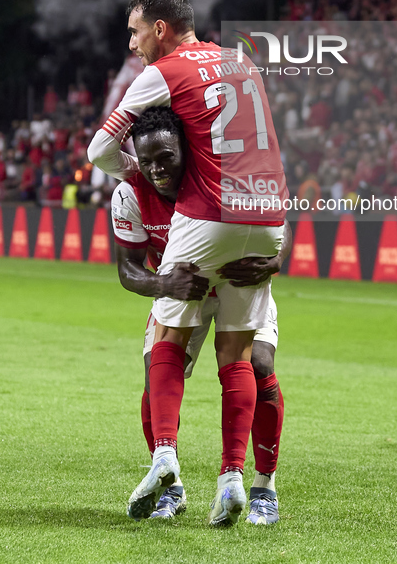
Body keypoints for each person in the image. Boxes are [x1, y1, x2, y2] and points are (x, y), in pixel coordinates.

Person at [88, 0, 288, 527]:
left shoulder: (161, 73)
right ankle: (232, 479)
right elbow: (261, 147)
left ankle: (167, 462)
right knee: (241, 359)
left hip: (208, 215)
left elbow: (99, 150)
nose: (132, 45)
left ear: (159, 29)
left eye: (134, 32)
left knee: (166, 348)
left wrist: (135, 174)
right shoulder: (243, 62)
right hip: (267, 215)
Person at [112, 107, 289, 524]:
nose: (156, 169)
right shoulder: (130, 192)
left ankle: (264, 487)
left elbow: (274, 214)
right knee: (153, 370)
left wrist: (277, 260)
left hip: (235, 280)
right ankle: (169, 489)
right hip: (183, 290)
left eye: (166, 158)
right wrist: (163, 285)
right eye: (147, 159)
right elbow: (128, 269)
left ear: (186, 150)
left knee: (259, 363)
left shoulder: (218, 175)